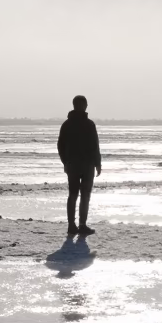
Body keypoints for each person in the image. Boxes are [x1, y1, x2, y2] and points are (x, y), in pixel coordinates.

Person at [57, 95, 102, 236]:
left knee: (79, 195)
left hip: (81, 164)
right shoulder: (85, 124)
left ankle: (78, 225)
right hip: (82, 165)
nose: (84, 106)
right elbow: (61, 145)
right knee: (77, 195)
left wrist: (97, 163)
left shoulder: (69, 124)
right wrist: (66, 161)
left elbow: (95, 146)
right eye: (83, 104)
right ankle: (74, 225)